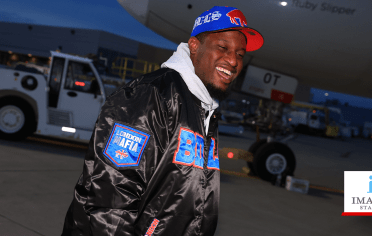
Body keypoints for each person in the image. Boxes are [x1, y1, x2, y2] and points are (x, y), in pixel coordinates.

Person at [62, 6, 263, 236]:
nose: (233, 61)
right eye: (223, 48)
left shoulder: (204, 110)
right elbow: (111, 198)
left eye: (240, 54)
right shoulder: (150, 96)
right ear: (195, 47)